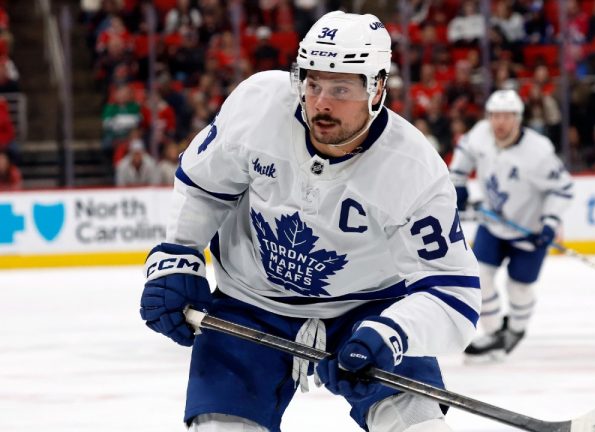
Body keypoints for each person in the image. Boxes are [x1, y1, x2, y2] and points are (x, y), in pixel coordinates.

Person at [139, 11, 480, 432]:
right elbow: (204, 185)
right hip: (249, 304)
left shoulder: (413, 169)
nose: (321, 103)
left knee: (420, 428)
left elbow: (455, 296)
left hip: (366, 311)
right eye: (312, 83)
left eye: (341, 89)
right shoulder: (259, 105)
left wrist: (391, 334)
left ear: (377, 89)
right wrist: (177, 254)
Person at [449, 89, 573, 361]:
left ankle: (515, 330)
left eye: (506, 116)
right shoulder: (480, 134)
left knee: (519, 287)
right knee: (479, 277)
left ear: (518, 119)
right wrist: (458, 183)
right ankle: (495, 335)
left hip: (530, 230)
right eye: (495, 116)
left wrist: (550, 222)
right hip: (493, 224)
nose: (499, 122)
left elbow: (563, 189)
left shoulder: (538, 152)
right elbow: (464, 152)